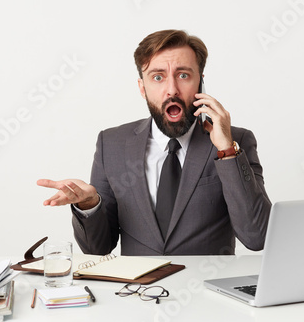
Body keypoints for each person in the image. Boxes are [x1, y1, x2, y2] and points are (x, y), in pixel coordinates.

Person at [37, 29, 271, 256]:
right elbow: (98, 249)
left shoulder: (236, 141)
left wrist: (227, 152)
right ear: (142, 88)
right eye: (158, 77)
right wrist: (89, 205)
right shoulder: (111, 144)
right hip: (136, 292)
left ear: (200, 83)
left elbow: (257, 237)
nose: (172, 90)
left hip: (206, 290)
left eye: (183, 75)